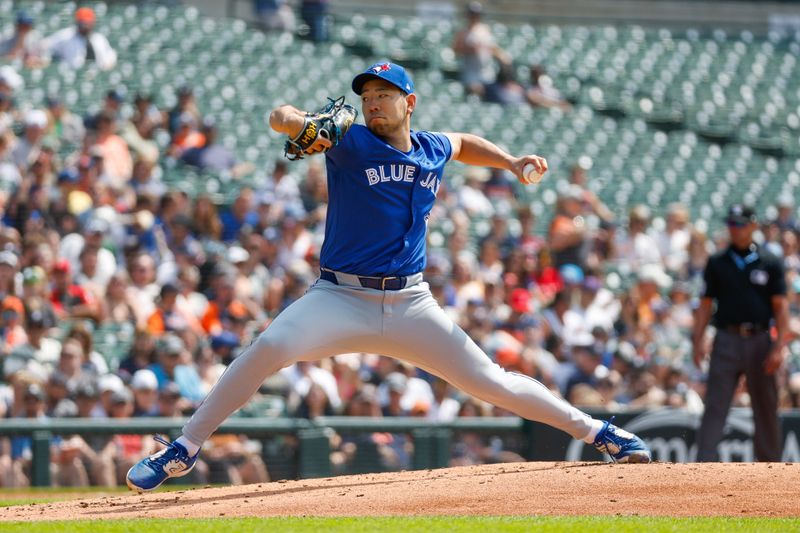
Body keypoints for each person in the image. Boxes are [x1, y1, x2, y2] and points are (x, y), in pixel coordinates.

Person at [126, 61, 650, 492]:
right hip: (339, 295)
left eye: (384, 93)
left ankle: (601, 433)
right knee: (267, 348)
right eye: (367, 94)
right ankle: (183, 448)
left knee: (491, 381)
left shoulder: (430, 147)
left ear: (409, 103)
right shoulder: (350, 140)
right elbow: (281, 117)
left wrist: (511, 162)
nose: (373, 102)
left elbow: (463, 142)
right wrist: (292, 120)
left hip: (410, 304)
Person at [692, 204, 789, 462]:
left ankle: (771, 468)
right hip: (726, 338)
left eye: (740, 224)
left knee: (766, 407)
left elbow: (780, 308)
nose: (735, 229)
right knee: (715, 405)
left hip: (760, 340)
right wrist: (697, 340)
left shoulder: (770, 261)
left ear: (753, 225)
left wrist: (779, 346)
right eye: (731, 224)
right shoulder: (717, 261)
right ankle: (702, 466)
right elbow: (704, 306)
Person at [45, 7, 117, 71]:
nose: (86, 26)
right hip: (71, 75)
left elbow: (111, 56)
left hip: (97, 76)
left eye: (88, 23)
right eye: (83, 23)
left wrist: (108, 66)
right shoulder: (66, 36)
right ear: (77, 22)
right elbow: (47, 46)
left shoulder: (99, 39)